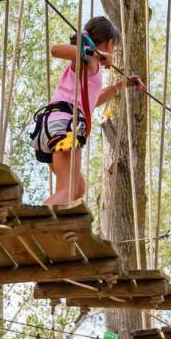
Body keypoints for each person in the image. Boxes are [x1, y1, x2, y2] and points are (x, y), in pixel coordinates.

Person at [30, 16, 125, 206]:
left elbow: (91, 101)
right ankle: (34, 220)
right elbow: (55, 50)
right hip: (65, 126)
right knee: (69, 190)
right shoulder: (87, 58)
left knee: (78, 188)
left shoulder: (89, 63)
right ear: (109, 43)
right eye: (114, 48)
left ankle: (48, 219)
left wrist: (119, 86)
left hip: (53, 125)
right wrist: (97, 54)